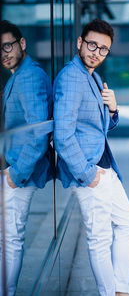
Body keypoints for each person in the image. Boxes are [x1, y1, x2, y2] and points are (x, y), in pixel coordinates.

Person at [54, 19, 129, 296]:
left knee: (128, 223)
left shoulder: (92, 76)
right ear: (80, 43)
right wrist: (87, 174)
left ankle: (120, 290)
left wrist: (113, 110)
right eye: (92, 45)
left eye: (103, 49)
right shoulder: (71, 76)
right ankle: (111, 293)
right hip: (90, 171)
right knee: (100, 239)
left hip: (104, 168)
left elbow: (100, 127)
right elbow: (62, 134)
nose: (96, 52)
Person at [0, 20, 52, 296]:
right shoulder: (19, 75)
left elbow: (38, 132)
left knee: (10, 241)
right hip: (14, 168)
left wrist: (16, 174)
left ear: (22, 44)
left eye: (8, 45)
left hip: (19, 174)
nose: (4, 53)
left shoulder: (29, 76)